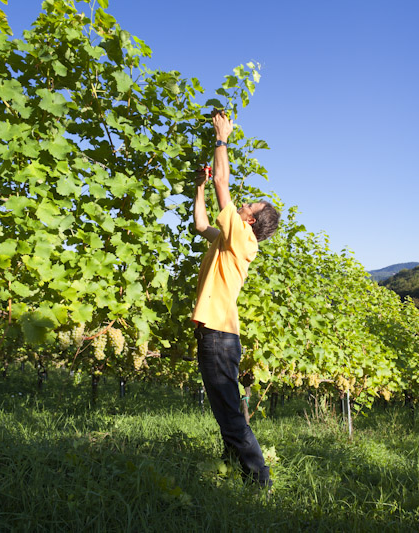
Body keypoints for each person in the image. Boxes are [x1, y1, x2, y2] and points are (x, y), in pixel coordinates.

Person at [191, 110, 279, 489]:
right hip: (215, 334)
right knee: (223, 407)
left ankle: (259, 480)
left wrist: (222, 138)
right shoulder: (229, 239)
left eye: (249, 207)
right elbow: (200, 225)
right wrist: (199, 186)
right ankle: (237, 469)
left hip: (219, 336)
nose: (242, 206)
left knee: (229, 411)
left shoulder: (244, 239)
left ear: (252, 222)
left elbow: (223, 184)